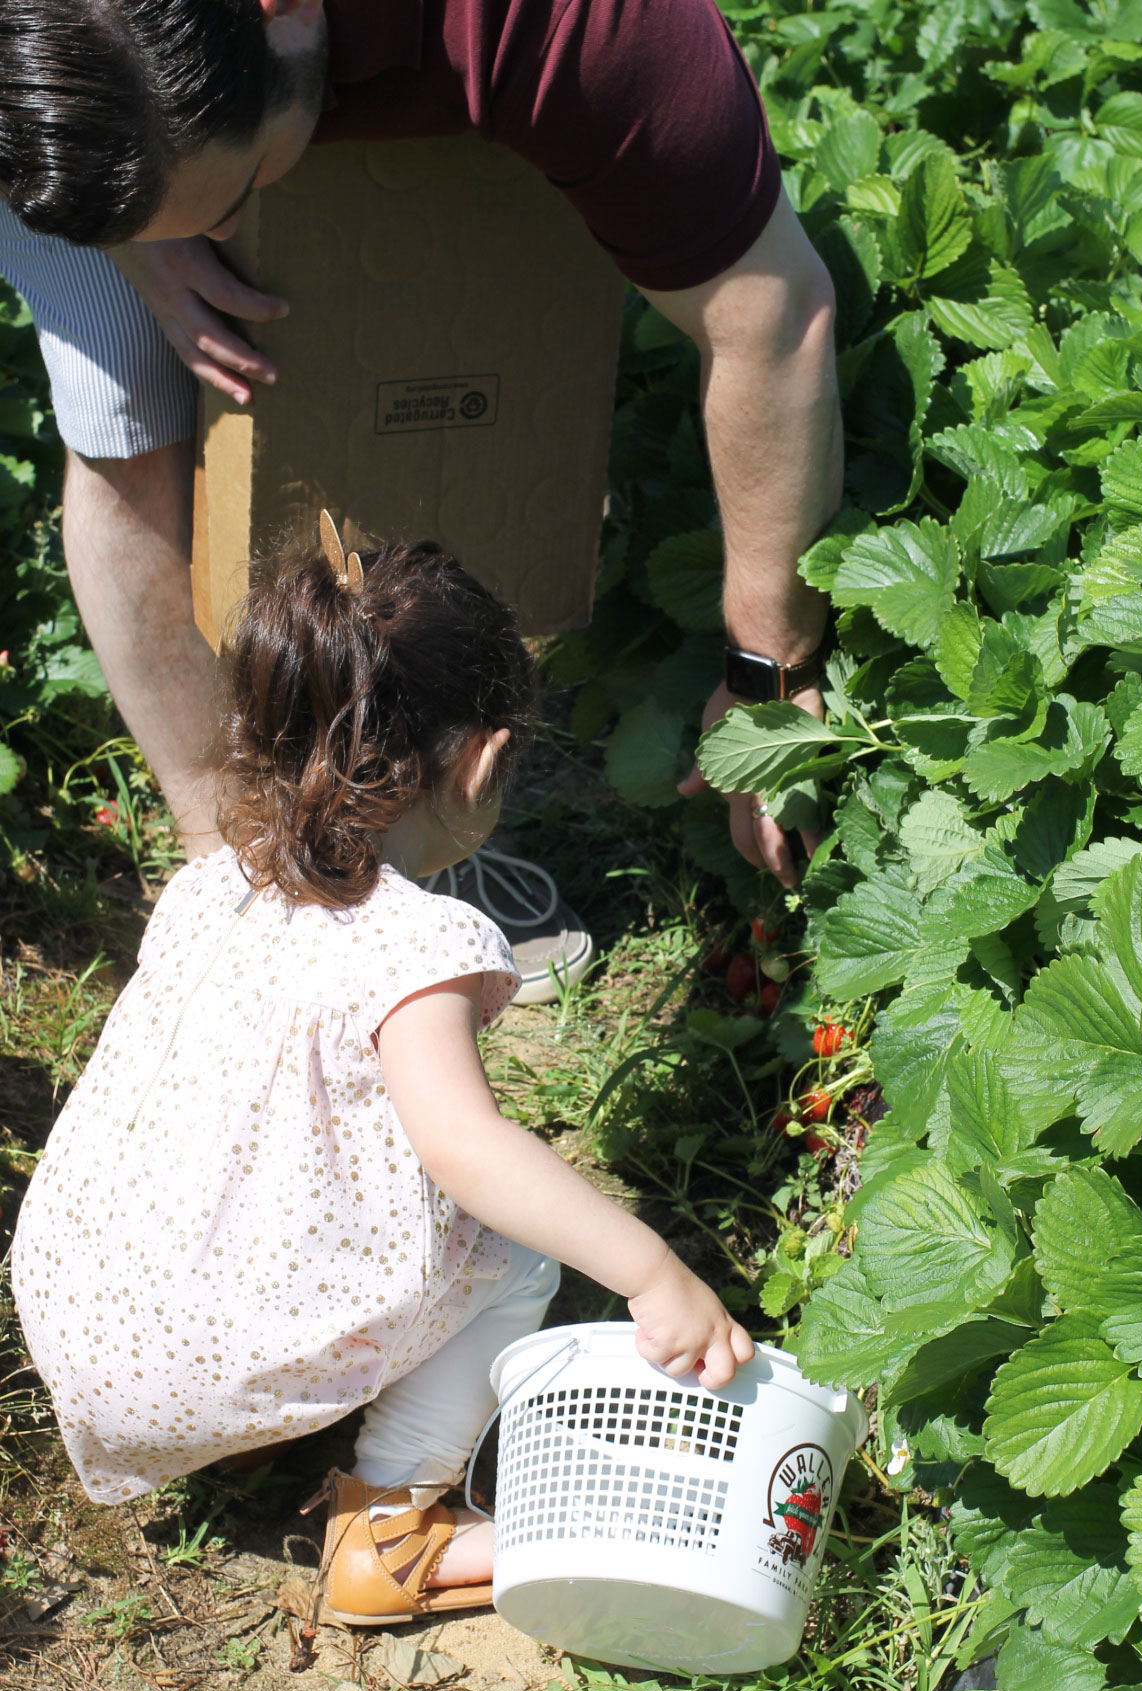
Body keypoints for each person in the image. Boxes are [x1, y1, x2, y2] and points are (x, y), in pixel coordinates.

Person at [0, 0, 842, 991]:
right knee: (131, 408)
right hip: (77, 90)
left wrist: (766, 670)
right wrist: (138, 230)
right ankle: (241, 880)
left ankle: (395, 839)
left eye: (232, 195)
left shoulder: (586, 28)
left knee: (407, 375)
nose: (233, 233)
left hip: (414, 55)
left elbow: (768, 321)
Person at [8, 521, 755, 1625]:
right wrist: (649, 1271)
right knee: (505, 1255)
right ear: (483, 759)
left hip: (72, 1318)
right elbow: (466, 1148)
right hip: (188, 1370)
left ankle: (230, 1418)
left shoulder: (212, 883)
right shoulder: (415, 944)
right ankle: (390, 1528)